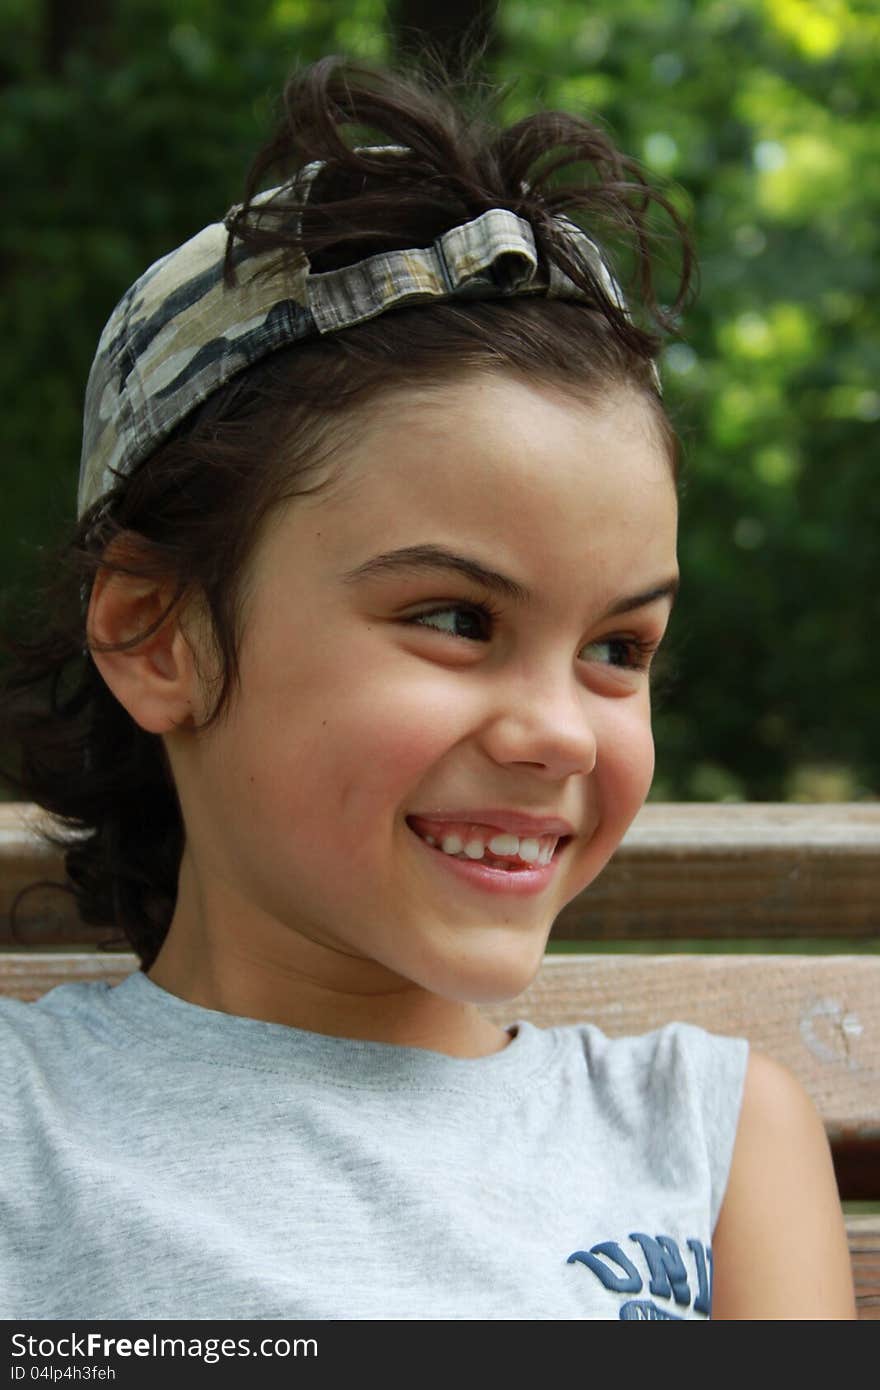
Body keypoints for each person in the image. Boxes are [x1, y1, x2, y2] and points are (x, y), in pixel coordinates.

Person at [0, 52, 855, 1321]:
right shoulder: (32, 1132)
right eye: (457, 618)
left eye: (619, 649)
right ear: (158, 635)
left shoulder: (716, 1142)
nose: (559, 730)